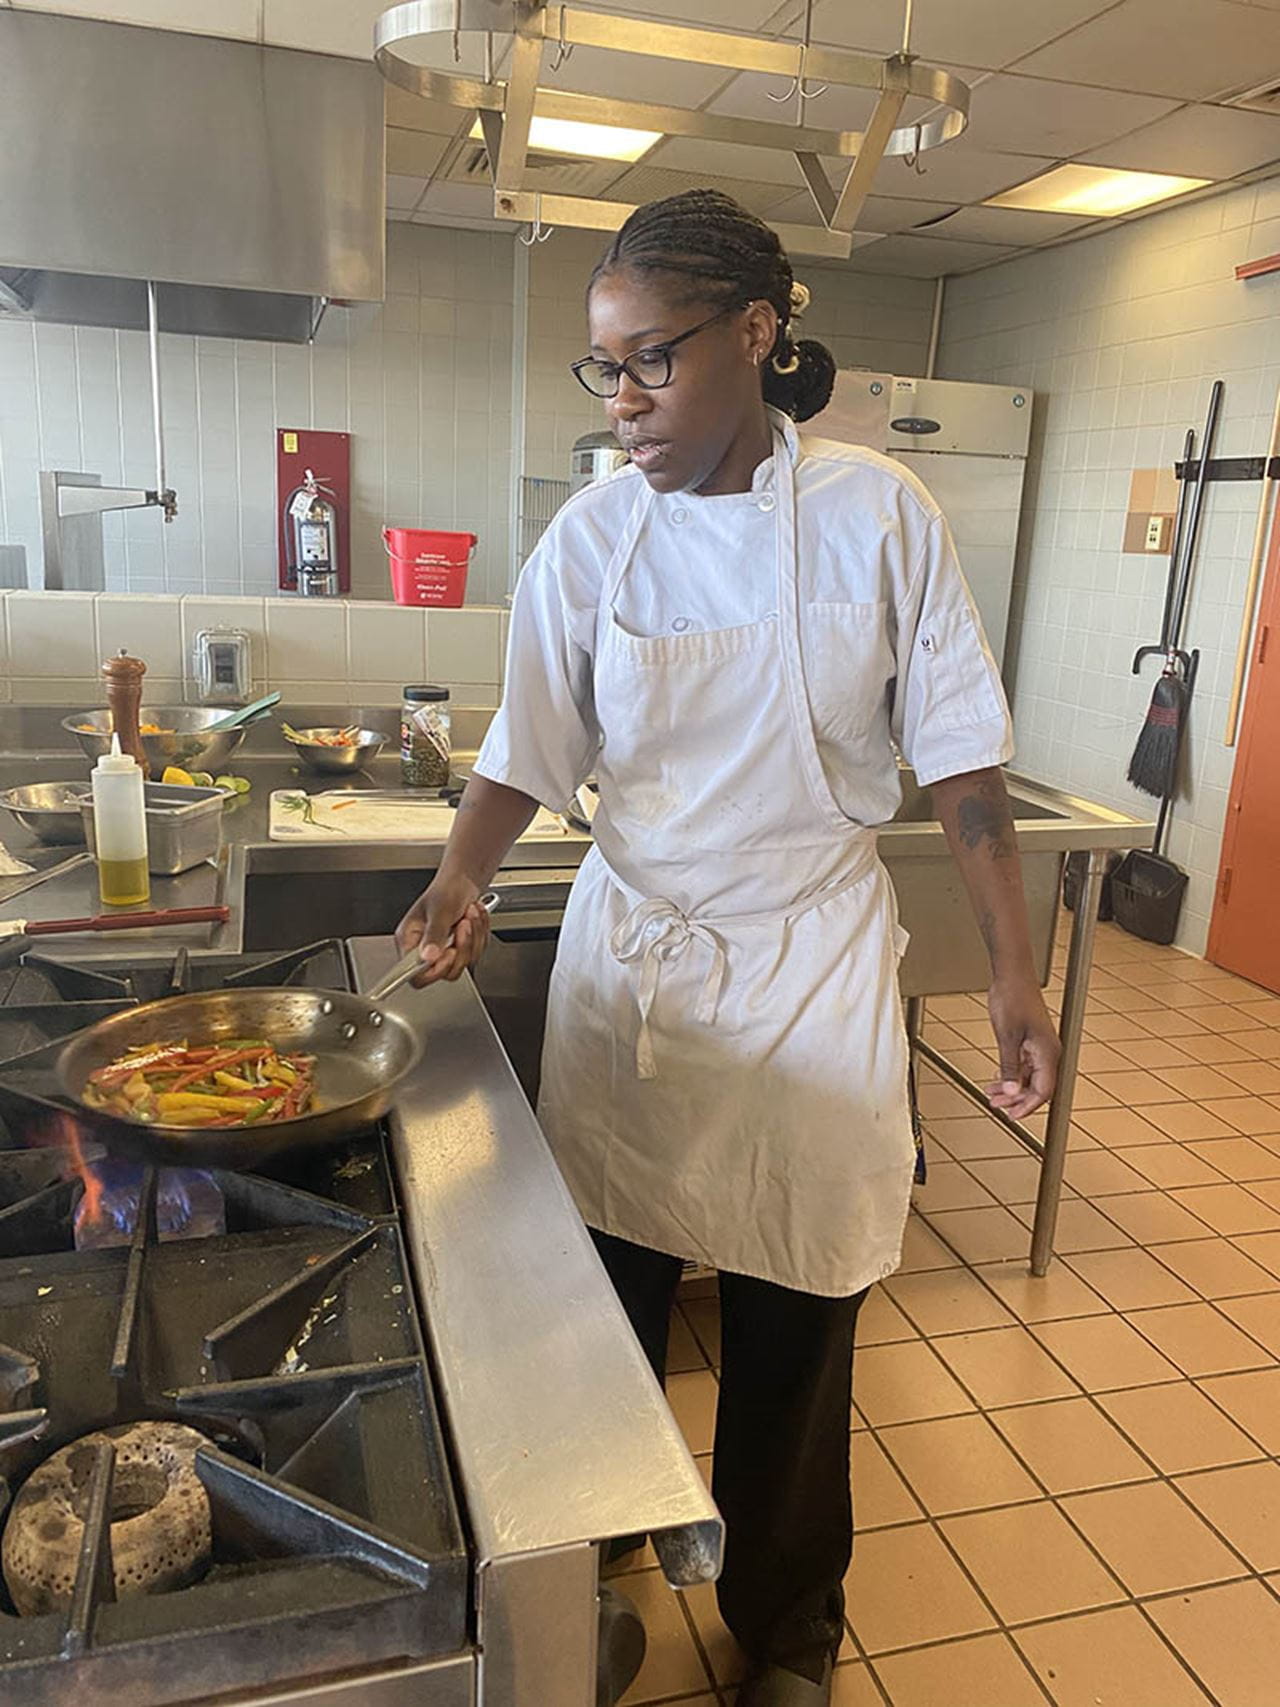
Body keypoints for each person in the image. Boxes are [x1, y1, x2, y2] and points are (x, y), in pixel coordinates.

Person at [397, 189, 1060, 1707]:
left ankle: (788, 1631)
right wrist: (455, 874)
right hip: (637, 967)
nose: (622, 405)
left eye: (652, 363)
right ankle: (603, 1574)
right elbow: (530, 740)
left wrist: (1015, 971)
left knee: (794, 1330)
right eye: (605, 370)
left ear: (755, 334)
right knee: (605, 1307)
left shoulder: (879, 513)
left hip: (810, 965)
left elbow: (959, 757)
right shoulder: (594, 535)